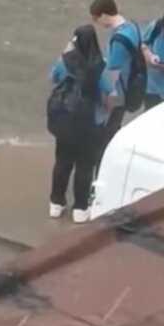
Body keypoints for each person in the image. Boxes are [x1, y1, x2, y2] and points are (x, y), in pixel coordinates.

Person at [48, 25, 112, 223]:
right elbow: (109, 95)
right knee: (85, 166)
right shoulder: (101, 66)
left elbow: (53, 78)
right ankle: (80, 208)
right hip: (89, 123)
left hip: (65, 120)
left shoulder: (64, 62)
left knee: (62, 162)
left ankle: (56, 204)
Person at [89, 0, 142, 153]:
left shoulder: (119, 39)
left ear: (104, 15)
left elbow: (112, 75)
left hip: (118, 94)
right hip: (128, 87)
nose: (97, 23)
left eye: (96, 19)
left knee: (106, 137)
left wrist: (105, 100)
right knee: (114, 128)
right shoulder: (132, 27)